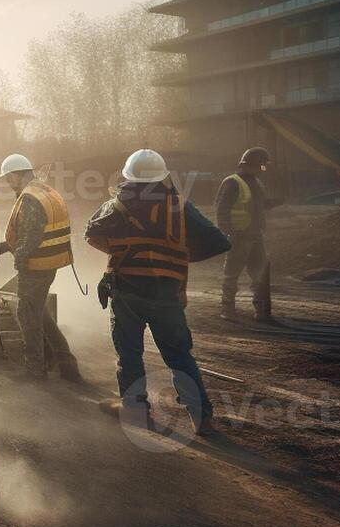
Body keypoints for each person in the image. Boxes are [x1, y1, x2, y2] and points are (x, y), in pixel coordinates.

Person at [85, 149, 231, 435]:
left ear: (128, 175)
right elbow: (218, 241)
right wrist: (174, 256)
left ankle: (135, 408)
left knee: (129, 354)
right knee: (178, 355)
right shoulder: (179, 205)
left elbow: (91, 234)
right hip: (166, 295)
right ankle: (200, 417)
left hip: (126, 293)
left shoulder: (114, 205)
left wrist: (124, 253)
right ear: (162, 176)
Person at [0, 154, 83, 382]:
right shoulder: (45, 191)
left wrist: (19, 259)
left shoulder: (30, 198)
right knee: (39, 312)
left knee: (28, 315)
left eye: (8, 178)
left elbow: (32, 235)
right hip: (50, 262)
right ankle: (66, 363)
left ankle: (35, 369)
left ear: (16, 174)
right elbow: (34, 231)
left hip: (35, 266)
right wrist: (2, 248)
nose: (8, 183)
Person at [216, 146, 280, 323]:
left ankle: (262, 311)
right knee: (231, 274)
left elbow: (260, 205)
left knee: (260, 273)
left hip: (256, 236)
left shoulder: (256, 183)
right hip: (238, 236)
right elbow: (222, 210)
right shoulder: (232, 182)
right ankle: (227, 309)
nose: (262, 171)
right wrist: (226, 233)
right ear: (250, 165)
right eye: (261, 167)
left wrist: (275, 202)